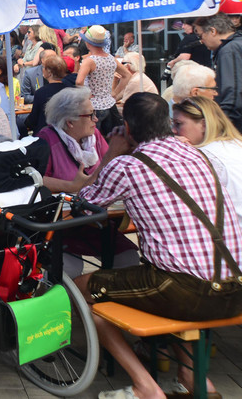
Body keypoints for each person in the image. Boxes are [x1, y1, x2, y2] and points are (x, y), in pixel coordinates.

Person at [78, 93, 242, 399]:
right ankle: (195, 380)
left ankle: (145, 386)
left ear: (128, 128)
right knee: (166, 286)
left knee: (83, 290)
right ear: (168, 124)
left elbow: (84, 206)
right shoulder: (200, 155)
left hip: (187, 291)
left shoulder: (127, 165)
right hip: (234, 286)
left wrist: (112, 153)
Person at [36, 87, 139, 277]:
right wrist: (71, 186)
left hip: (97, 222)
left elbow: (112, 170)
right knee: (69, 270)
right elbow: (36, 180)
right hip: (62, 227)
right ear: (70, 122)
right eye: (91, 115)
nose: (96, 120)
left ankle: (104, 294)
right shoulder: (46, 138)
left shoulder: (95, 137)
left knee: (128, 259)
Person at [172, 96, 242, 226]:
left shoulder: (201, 157)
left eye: (178, 123)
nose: (173, 130)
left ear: (204, 125)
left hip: (231, 233)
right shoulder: (236, 144)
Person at [76, 25, 132, 135]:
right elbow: (127, 75)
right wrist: (115, 93)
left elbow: (78, 81)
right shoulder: (111, 58)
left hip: (93, 106)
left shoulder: (89, 61)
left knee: (92, 139)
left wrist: (85, 96)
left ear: (88, 43)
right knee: (109, 138)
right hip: (109, 105)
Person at [194, 13, 242, 133]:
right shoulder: (235, 45)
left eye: (200, 36)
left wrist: (219, 128)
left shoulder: (230, 50)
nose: (201, 41)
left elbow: (233, 94)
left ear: (213, 31)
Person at [24, 54, 69, 135]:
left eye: (44, 67)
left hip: (45, 134)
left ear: (49, 73)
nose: (42, 70)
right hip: (66, 132)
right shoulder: (70, 91)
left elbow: (33, 119)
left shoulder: (41, 92)